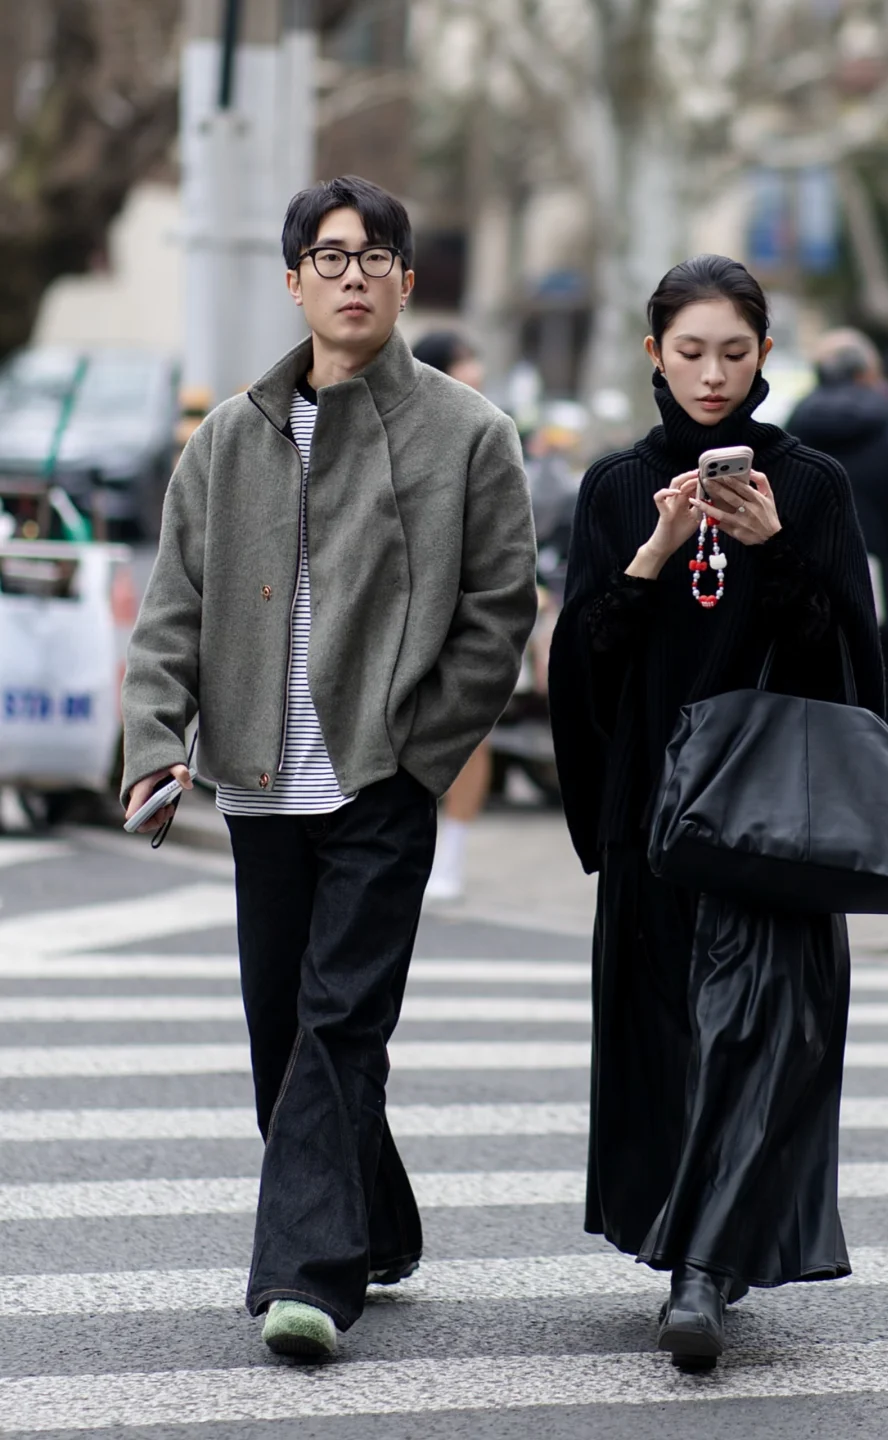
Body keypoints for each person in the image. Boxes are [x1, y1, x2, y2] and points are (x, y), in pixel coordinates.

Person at [120, 176, 537, 1358]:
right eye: (331, 257)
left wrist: (417, 751)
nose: (354, 277)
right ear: (294, 279)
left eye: (376, 258)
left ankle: (304, 1280)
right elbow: (173, 609)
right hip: (259, 785)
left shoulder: (469, 433)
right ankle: (379, 1223)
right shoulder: (228, 437)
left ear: (406, 282)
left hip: (378, 784)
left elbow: (499, 612)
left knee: (339, 1023)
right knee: (282, 1039)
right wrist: (155, 743)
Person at [548, 255, 884, 1371]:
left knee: (752, 1036)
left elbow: (847, 667)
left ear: (765, 356)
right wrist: (650, 555)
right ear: (654, 354)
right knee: (665, 1041)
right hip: (656, 814)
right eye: (690, 352)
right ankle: (690, 1249)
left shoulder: (814, 485)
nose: (711, 375)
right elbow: (585, 668)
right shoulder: (615, 488)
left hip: (771, 814)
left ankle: (702, 1271)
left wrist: (774, 548)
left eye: (734, 353)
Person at [787, 329, 888, 734]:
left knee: (814, 721)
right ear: (868, 375)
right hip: (884, 598)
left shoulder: (793, 436)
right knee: (882, 718)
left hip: (806, 600)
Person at [411, 331, 492, 900]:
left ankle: (452, 856)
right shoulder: (407, 428)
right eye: (465, 367)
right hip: (413, 606)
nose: (476, 378)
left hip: (469, 607)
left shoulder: (487, 429)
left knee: (473, 730)